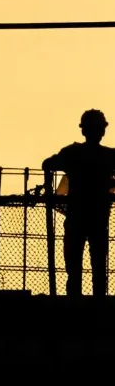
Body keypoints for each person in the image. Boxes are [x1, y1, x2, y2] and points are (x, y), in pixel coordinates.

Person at [43, 109, 115, 296]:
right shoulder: (109, 157)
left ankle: (74, 303)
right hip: (98, 218)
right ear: (102, 131)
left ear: (83, 131)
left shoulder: (72, 153)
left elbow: (48, 164)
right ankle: (98, 304)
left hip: (77, 216)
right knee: (99, 265)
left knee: (74, 266)